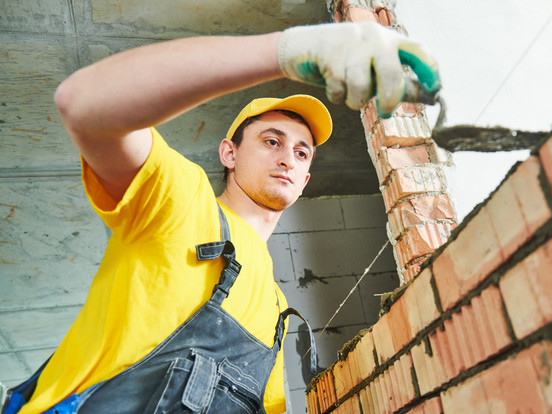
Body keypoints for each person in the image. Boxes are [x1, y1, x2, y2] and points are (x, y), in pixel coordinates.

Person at [1, 21, 440, 414]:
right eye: (271, 141)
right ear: (229, 153)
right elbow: (83, 102)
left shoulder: (276, 311)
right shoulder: (183, 204)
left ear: (305, 180)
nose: (288, 157)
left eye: (301, 152)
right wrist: (284, 51)